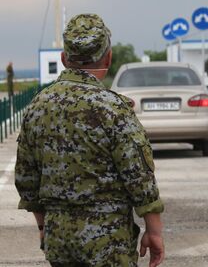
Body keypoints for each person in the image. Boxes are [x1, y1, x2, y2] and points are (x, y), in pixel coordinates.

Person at [14, 14, 165, 267]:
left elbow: (26, 180)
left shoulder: (36, 107)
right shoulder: (113, 108)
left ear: (64, 59)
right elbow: (138, 177)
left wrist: (44, 226)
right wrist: (155, 231)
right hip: (108, 239)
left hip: (58, 238)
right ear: (108, 57)